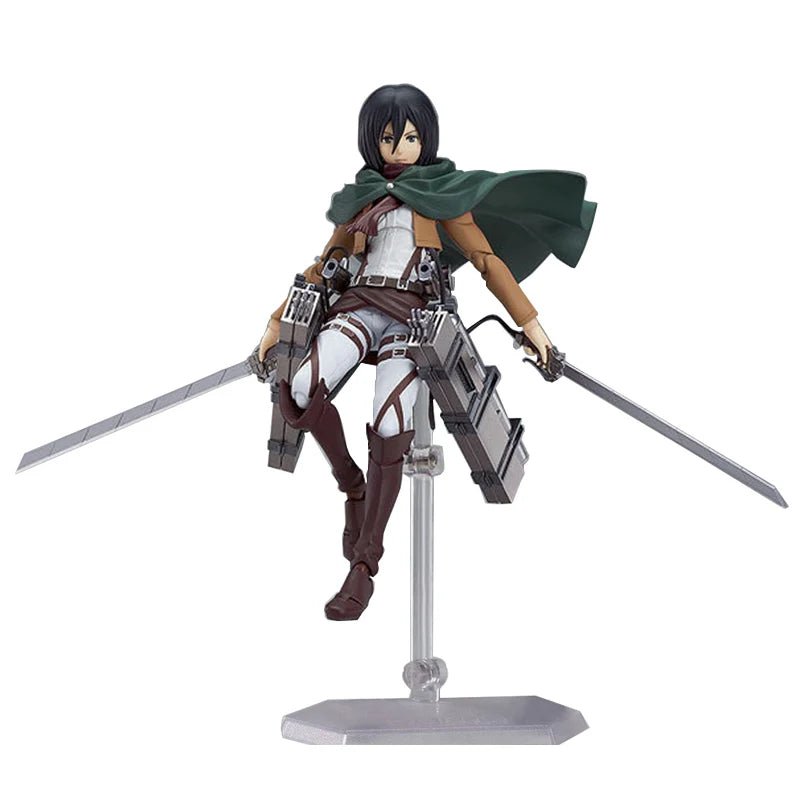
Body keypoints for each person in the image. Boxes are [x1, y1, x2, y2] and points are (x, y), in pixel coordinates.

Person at [257, 84, 596, 621]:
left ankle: (364, 565)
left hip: (410, 319)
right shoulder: (361, 198)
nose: (400, 148)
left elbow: (486, 261)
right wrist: (275, 326)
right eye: (389, 138)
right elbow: (323, 266)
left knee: (390, 422)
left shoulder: (442, 195)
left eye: (411, 137)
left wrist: (533, 326)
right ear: (372, 141)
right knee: (299, 388)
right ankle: (352, 484)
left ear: (426, 140)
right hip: (357, 306)